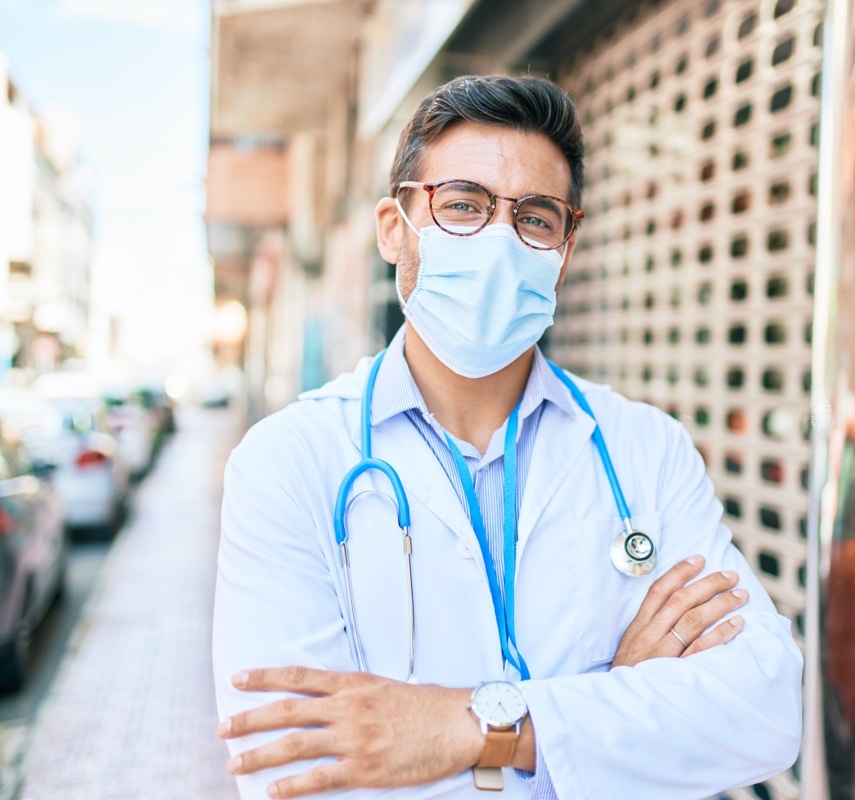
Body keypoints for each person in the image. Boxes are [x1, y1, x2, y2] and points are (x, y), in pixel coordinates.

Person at [213, 74, 804, 800]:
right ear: (394, 228)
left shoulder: (645, 449)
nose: (500, 239)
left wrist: (470, 729)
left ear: (566, 247)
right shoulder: (287, 462)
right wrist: (607, 712)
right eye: (462, 205)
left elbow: (764, 709)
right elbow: (295, 771)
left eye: (535, 217)